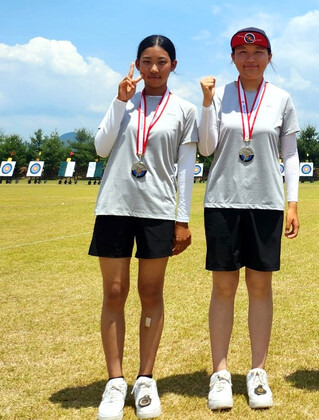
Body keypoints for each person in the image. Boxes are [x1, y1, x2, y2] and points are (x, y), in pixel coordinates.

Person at [89, 34, 198, 420]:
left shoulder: (184, 109)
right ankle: (115, 382)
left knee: (150, 291)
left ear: (173, 65)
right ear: (136, 63)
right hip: (115, 207)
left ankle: (145, 379)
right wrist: (119, 101)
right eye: (147, 61)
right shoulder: (123, 102)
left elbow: (185, 170)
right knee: (114, 292)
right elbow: (101, 148)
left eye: (162, 61)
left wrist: (182, 219)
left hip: (157, 210)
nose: (154, 69)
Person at [198, 27, 300, 411]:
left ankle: (257, 371)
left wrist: (292, 203)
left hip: (266, 204)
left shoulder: (282, 98)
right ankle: (220, 373)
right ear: (233, 58)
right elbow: (207, 148)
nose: (250, 59)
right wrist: (207, 103)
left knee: (260, 288)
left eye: (258, 52)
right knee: (223, 289)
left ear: (269, 57)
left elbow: (289, 155)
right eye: (242, 52)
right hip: (223, 201)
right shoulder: (219, 94)